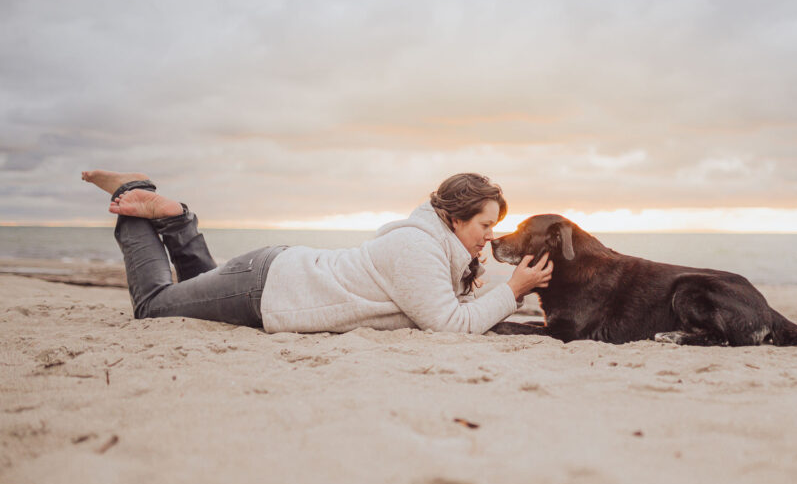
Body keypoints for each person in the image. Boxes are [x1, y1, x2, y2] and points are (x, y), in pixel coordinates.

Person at [81, 170, 553, 335]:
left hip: (273, 277)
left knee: (195, 295)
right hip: (265, 290)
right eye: (485, 225)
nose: (490, 236)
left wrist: (506, 293)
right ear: (455, 218)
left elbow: (453, 306)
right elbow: (451, 325)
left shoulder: (431, 243)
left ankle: (177, 221)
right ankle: (135, 198)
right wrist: (513, 290)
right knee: (153, 307)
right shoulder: (416, 247)